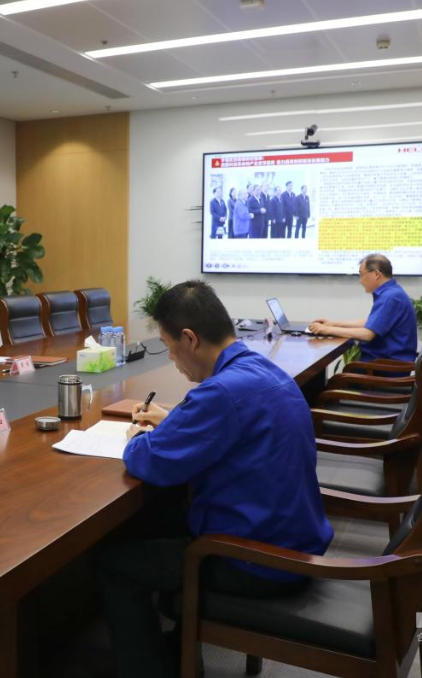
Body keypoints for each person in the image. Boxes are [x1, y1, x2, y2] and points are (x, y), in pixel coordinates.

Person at [95, 280, 333, 678]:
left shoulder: (220, 393)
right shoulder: (260, 370)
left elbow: (150, 461)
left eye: (169, 348)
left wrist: (137, 436)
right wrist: (176, 421)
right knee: (159, 518)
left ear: (190, 339)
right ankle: (179, 653)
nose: (172, 359)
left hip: (258, 560)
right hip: (295, 538)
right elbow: (231, 427)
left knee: (115, 563)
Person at [309, 253, 418, 361]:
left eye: (361, 274)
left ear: (376, 274)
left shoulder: (390, 297)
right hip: (385, 360)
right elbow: (372, 323)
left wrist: (327, 330)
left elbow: (367, 334)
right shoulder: (392, 292)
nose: (360, 280)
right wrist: (333, 324)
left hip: (386, 365)